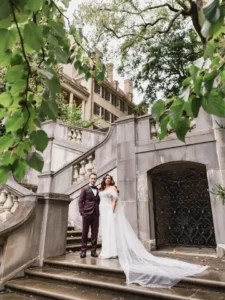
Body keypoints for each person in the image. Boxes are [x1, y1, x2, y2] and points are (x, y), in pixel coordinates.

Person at [98, 174, 208, 288]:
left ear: (111, 180)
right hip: (102, 210)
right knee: (106, 231)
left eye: (109, 179)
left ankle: (111, 252)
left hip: (109, 211)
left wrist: (111, 211)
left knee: (111, 230)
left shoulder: (113, 188)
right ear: (104, 180)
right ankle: (106, 251)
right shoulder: (102, 188)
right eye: (106, 179)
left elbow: (114, 200)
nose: (107, 180)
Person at [78, 173, 100, 258]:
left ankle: (93, 251)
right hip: (87, 213)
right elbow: (80, 201)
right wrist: (82, 211)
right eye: (92, 178)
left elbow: (98, 201)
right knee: (85, 232)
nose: (93, 180)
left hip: (96, 214)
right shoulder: (85, 189)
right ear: (89, 179)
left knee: (95, 233)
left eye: (95, 178)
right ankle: (83, 251)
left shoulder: (98, 190)